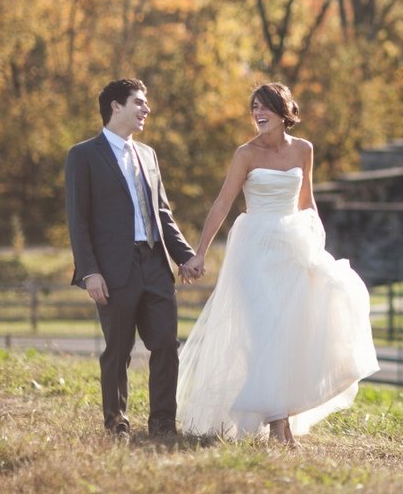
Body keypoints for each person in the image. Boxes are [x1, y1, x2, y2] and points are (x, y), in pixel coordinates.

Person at [176, 82, 378, 443]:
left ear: (283, 111)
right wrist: (201, 251)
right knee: (263, 330)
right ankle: (278, 427)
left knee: (289, 332)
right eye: (254, 107)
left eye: (264, 106)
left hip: (293, 247)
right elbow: (223, 203)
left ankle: (280, 422)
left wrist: (317, 244)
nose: (257, 113)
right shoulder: (245, 154)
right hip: (254, 249)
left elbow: (307, 200)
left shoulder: (304, 150)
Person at [66, 78, 200, 437]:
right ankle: (116, 423)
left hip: (156, 265)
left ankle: (162, 424)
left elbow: (163, 213)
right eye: (139, 102)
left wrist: (185, 256)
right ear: (115, 106)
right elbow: (77, 221)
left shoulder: (148, 155)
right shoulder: (83, 155)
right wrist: (90, 272)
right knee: (118, 350)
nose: (146, 109)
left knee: (166, 346)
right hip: (112, 270)